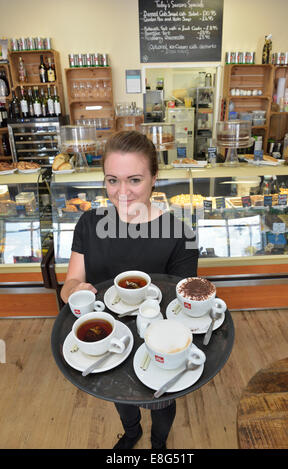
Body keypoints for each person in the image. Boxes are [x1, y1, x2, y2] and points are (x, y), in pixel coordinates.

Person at [61, 130, 199, 449]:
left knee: (160, 401)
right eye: (112, 180)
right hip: (108, 338)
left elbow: (182, 303)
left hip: (159, 340)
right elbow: (70, 281)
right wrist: (71, 291)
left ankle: (158, 443)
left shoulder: (181, 234)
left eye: (134, 179)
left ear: (154, 178)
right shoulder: (88, 224)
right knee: (120, 396)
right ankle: (133, 432)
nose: (122, 192)